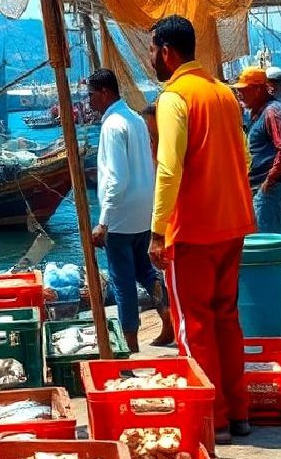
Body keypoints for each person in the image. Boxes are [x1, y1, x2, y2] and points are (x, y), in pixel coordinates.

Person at [147, 15, 255, 444]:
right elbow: (242, 157)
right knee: (226, 318)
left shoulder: (175, 98)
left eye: (153, 49)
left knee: (193, 325)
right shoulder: (225, 94)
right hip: (232, 225)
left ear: (167, 52)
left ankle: (216, 419)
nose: (152, 57)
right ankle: (239, 409)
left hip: (193, 230)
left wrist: (157, 230)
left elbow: (169, 167)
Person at [87, 69, 172, 353]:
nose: (89, 103)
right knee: (145, 270)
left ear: (104, 93)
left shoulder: (112, 125)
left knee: (122, 281)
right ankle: (167, 315)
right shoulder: (136, 119)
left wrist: (103, 222)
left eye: (90, 96)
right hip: (143, 210)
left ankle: (131, 346)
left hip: (121, 216)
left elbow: (116, 178)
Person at [232, 67, 281, 233]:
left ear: (258, 89)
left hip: (268, 189)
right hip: (262, 188)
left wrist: (268, 182)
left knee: (267, 244)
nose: (239, 94)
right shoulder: (259, 113)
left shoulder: (272, 112)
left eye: (243, 90)